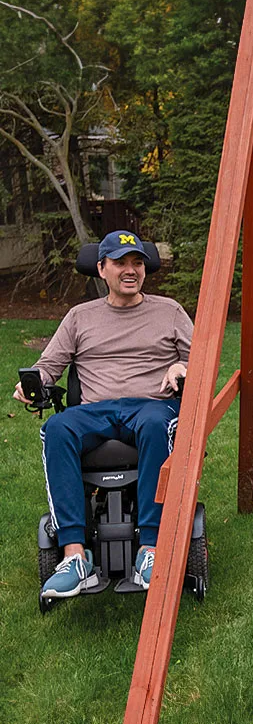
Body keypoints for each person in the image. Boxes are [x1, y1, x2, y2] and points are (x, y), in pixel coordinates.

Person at [13, 230, 194, 599]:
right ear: (101, 268)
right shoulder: (80, 316)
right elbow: (50, 365)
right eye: (121, 263)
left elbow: (202, 362)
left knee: (157, 423)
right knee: (58, 427)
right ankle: (75, 556)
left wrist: (182, 367)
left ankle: (151, 550)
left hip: (151, 406)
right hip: (96, 410)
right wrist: (35, 383)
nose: (131, 270)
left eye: (138, 262)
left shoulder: (169, 311)